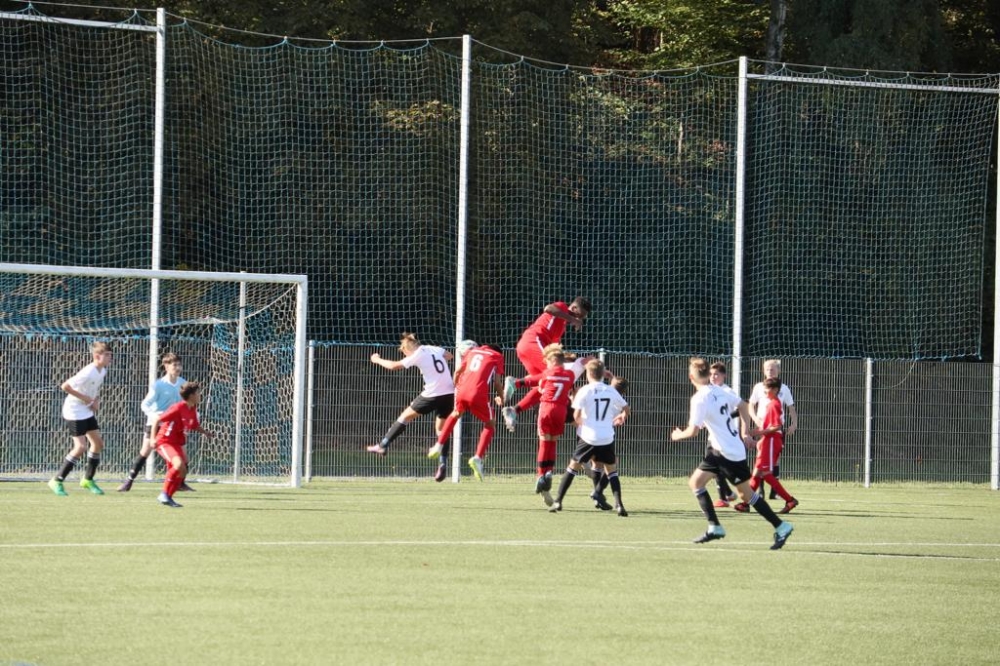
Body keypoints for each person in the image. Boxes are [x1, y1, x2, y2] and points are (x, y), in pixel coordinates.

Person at [669, 357, 794, 550]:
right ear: (707, 375)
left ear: (690, 377)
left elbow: (693, 431)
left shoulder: (699, 398)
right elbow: (743, 405)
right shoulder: (720, 390)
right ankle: (714, 527)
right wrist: (744, 432)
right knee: (696, 482)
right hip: (722, 449)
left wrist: (677, 435)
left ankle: (781, 526)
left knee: (746, 495)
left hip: (727, 453)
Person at [366, 332, 456, 482]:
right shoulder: (432, 348)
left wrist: (377, 360)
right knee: (441, 430)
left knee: (405, 417)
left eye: (404, 353)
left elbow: (394, 366)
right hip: (448, 394)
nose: (405, 355)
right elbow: (449, 355)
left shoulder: (417, 354)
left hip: (432, 394)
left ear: (407, 349)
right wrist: (431, 367)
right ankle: (442, 464)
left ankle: (383, 445)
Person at [550, 359, 630, 516]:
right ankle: (619, 505)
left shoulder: (585, 390)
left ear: (588, 374)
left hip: (589, 437)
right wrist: (623, 416)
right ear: (602, 374)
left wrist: (582, 424)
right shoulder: (611, 390)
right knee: (612, 471)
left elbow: (576, 415)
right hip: (606, 437)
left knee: (572, 468)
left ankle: (558, 501)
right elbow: (626, 408)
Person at [501, 297, 591, 431]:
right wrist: (573, 319)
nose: (579, 320)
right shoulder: (561, 307)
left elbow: (552, 351)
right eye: (580, 316)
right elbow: (548, 308)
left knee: (544, 384)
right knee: (553, 377)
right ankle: (515, 383)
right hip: (533, 341)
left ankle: (514, 410)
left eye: (581, 318)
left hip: (527, 347)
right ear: (574, 308)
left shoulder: (561, 327)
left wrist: (565, 358)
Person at [426, 343, 506, 481]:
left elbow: (457, 372)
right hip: (478, 393)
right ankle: (478, 457)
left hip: (462, 391)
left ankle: (439, 444)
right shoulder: (497, 356)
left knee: (455, 414)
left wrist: (455, 389)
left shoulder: (472, 352)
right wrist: (502, 398)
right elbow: (497, 383)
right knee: (490, 423)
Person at [118, 353, 193, 492]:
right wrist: (155, 416)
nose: (178, 368)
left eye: (179, 365)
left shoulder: (183, 383)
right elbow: (145, 404)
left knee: (183, 455)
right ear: (166, 366)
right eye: (174, 365)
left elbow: (185, 404)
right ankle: (128, 481)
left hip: (174, 426)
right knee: (145, 451)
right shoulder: (159, 385)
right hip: (155, 424)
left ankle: (181, 483)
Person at [47, 341, 113, 497]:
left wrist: (95, 401)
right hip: (74, 411)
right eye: (107, 355)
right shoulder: (88, 371)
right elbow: (65, 386)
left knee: (98, 444)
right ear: (97, 356)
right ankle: (57, 480)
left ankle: (87, 480)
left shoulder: (102, 371)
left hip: (86, 410)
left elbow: (94, 389)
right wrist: (85, 399)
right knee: (80, 447)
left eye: (110, 355)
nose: (110, 358)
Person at [735, 377, 799, 514]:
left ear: (775, 390)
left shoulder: (775, 404)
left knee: (765, 473)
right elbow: (767, 425)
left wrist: (759, 432)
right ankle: (746, 504)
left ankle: (790, 500)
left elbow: (777, 426)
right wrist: (757, 434)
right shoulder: (770, 404)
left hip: (771, 441)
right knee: (757, 474)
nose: (764, 393)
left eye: (767, 390)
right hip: (766, 440)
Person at [527, 343, 578, 506]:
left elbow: (539, 387)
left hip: (547, 407)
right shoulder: (570, 373)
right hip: (562, 409)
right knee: (552, 443)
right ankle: (548, 473)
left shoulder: (547, 373)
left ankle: (540, 476)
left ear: (551, 360)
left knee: (544, 442)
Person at [154, 381, 214, 508]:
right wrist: (152, 439)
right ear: (191, 395)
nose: (200, 395)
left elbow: (194, 425)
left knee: (182, 471)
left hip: (176, 443)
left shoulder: (192, 408)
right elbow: (157, 420)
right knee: (178, 465)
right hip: (164, 441)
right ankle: (164, 494)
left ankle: (168, 497)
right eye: (198, 393)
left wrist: (205, 433)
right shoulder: (178, 407)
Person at [748, 359, 797, 499]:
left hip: (775, 429)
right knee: (761, 458)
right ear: (763, 371)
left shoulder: (783, 389)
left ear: (778, 371)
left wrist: (794, 423)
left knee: (774, 460)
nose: (770, 371)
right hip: (762, 426)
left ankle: (774, 492)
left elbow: (791, 407)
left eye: (773, 369)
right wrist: (755, 419)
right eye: (767, 369)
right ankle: (760, 491)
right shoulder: (759, 387)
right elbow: (751, 405)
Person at [709, 362, 739, 508]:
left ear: (724, 375)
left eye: (716, 374)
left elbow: (740, 409)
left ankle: (725, 497)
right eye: (711, 374)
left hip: (725, 437)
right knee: (714, 466)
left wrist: (725, 417)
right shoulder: (709, 391)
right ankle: (728, 494)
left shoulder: (727, 391)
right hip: (713, 435)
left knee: (717, 467)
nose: (713, 377)